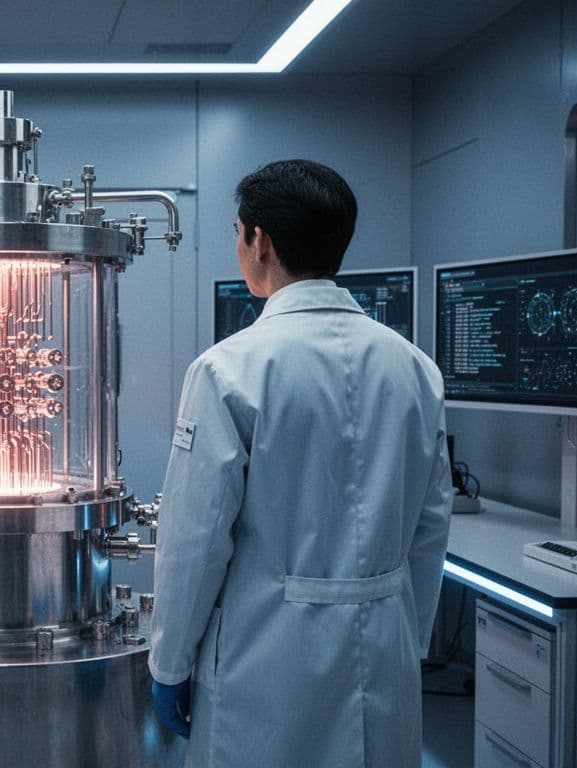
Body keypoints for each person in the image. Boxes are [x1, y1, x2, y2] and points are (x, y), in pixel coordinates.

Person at [147, 159, 452, 766]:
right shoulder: (416, 368)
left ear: (260, 241)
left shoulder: (228, 370)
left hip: (267, 662)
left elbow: (193, 540)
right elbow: (431, 524)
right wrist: (403, 640)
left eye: (238, 232)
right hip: (384, 658)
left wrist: (169, 662)